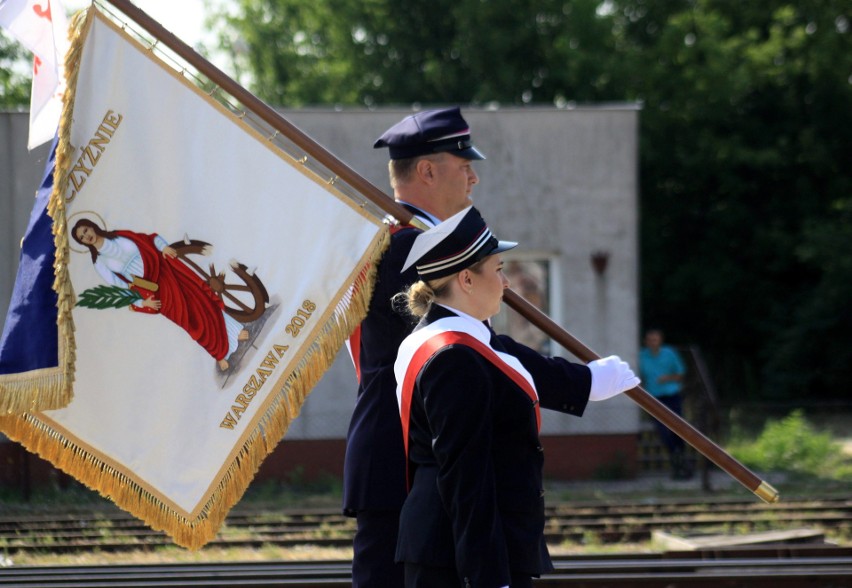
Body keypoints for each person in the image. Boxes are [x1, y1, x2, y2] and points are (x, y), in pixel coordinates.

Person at [393, 206, 639, 587]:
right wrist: (488, 576)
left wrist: (590, 381)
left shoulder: (459, 338)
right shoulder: (454, 356)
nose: (506, 283)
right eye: (498, 269)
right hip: (463, 555)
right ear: (466, 280)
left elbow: (513, 360)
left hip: (460, 545)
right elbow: (465, 474)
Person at [343, 107, 485, 587]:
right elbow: (460, 344)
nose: (474, 178)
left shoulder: (407, 242)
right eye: (464, 165)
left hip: (411, 455)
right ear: (427, 170)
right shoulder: (409, 249)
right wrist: (576, 381)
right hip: (402, 457)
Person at [72, 219, 248, 370]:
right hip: (152, 289)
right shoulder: (99, 262)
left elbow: (149, 239)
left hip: (165, 269)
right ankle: (218, 353)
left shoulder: (119, 235)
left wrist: (163, 247)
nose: (86, 236)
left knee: (200, 299)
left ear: (92, 226)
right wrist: (143, 303)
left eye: (86, 230)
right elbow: (121, 288)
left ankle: (235, 332)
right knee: (187, 320)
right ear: (82, 243)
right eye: (82, 237)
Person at [639, 328, 691, 479]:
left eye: (655, 340)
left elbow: (681, 373)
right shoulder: (642, 356)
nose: (653, 343)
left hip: (672, 396)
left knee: (678, 429)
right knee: (663, 431)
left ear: (660, 340)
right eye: (650, 340)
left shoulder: (669, 353)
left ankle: (681, 460)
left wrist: (667, 378)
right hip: (654, 399)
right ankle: (675, 459)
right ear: (646, 342)